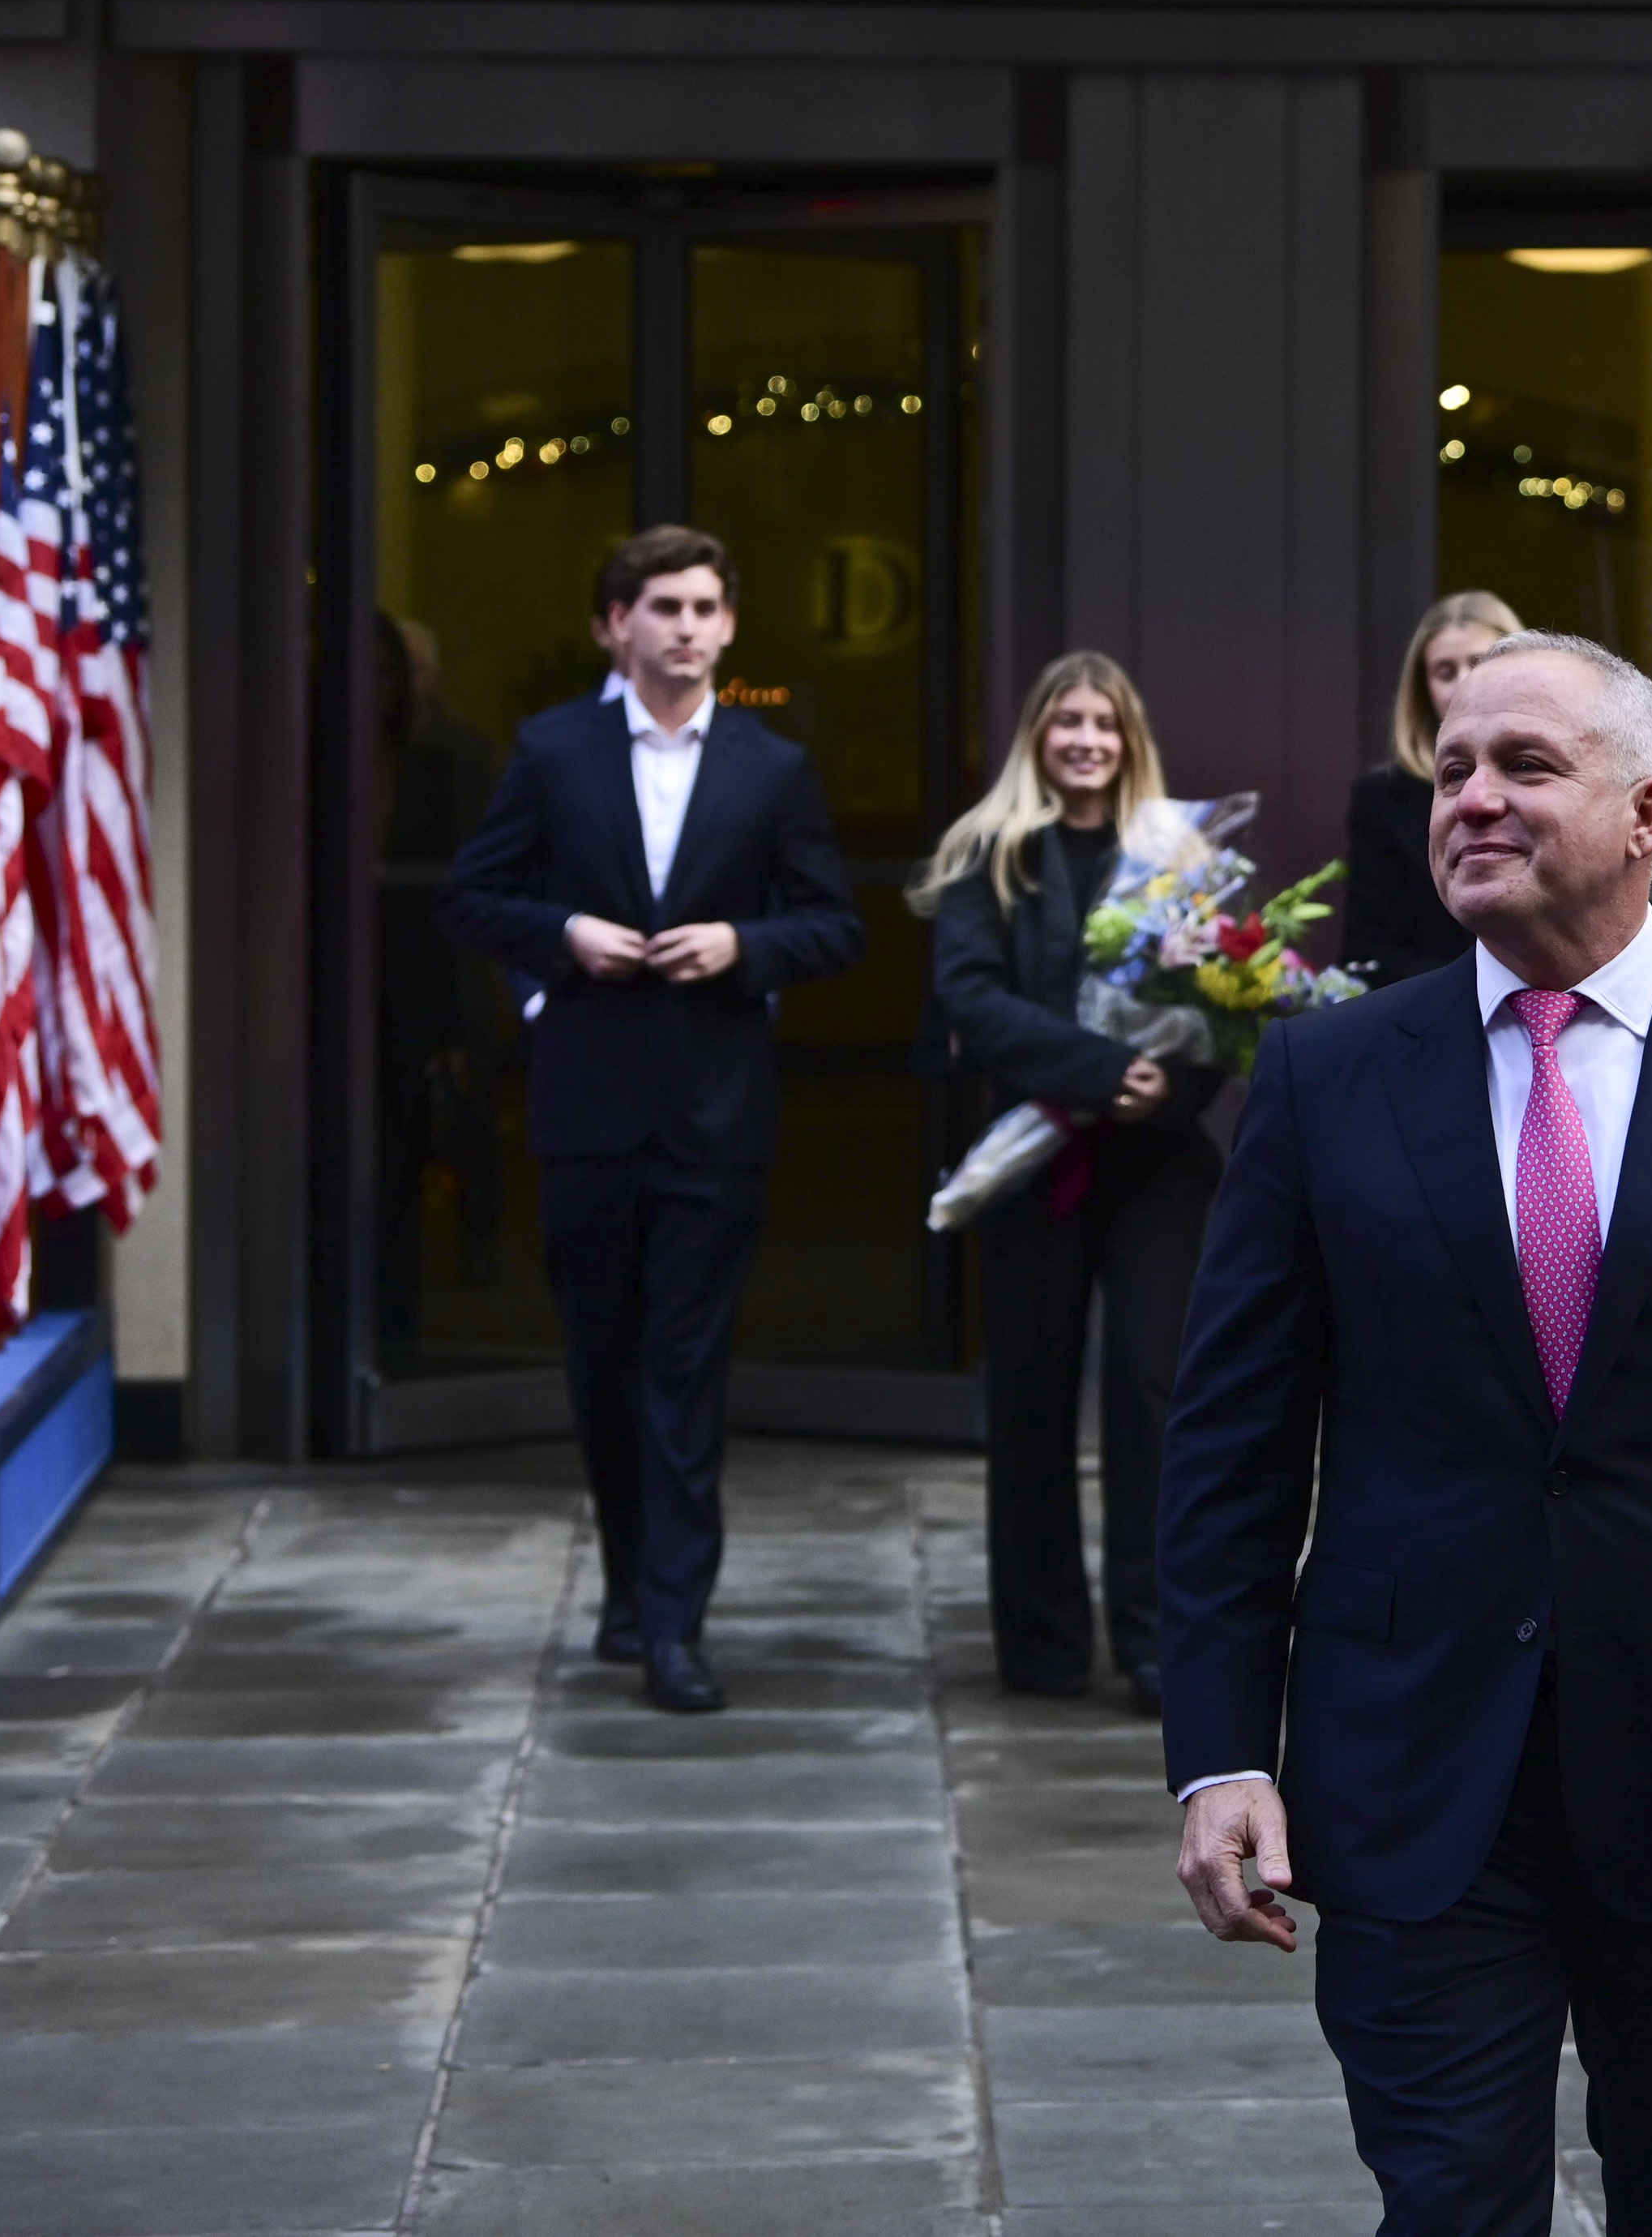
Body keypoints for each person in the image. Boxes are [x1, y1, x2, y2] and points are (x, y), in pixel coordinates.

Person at [1162, 631, 1652, 2236]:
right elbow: (1229, 1444)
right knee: (1452, 2200)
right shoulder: (1328, 1077)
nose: (1470, 796)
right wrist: (1219, 1754)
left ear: (1647, 814)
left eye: (1524, 765)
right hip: (1408, 1767)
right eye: (1452, 767)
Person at [438, 528, 862, 1716]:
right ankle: (630, 1587)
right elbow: (472, 894)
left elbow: (837, 922)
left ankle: (678, 1623)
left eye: (704, 606)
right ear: (613, 625)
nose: (684, 626)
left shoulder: (771, 767)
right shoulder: (552, 749)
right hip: (585, 1104)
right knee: (604, 1364)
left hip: (716, 1114)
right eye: (661, 605)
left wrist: (745, 945)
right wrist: (563, 934)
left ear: (730, 626)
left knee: (685, 1369)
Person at [919, 652, 1223, 1712]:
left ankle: (1151, 1643)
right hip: (1035, 1158)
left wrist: (1164, 1086)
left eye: (1104, 722)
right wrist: (1101, 1071)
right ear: (1038, 738)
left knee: (1153, 1391)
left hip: (1156, 1166)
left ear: (1130, 737)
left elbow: (1232, 995)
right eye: (1066, 722)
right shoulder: (989, 854)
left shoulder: (1179, 853)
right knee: (1033, 1399)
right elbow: (972, 997)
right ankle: (1042, 1644)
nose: (1086, 739)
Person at [1337, 588, 1522, 988]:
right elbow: (1366, 952)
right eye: (1444, 671)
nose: (1463, 683)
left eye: (1479, 663)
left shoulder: (1559, 780)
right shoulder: (1382, 797)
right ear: (1424, 689)